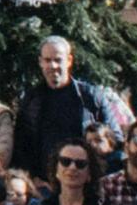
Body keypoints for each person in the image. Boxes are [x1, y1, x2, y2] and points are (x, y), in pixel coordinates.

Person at [10, 34, 120, 184]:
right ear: (40, 62)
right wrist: (33, 180)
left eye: (58, 60)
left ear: (69, 61)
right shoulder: (31, 100)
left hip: (85, 184)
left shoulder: (91, 97)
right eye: (48, 60)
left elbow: (116, 140)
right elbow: (21, 147)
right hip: (43, 186)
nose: (53, 66)